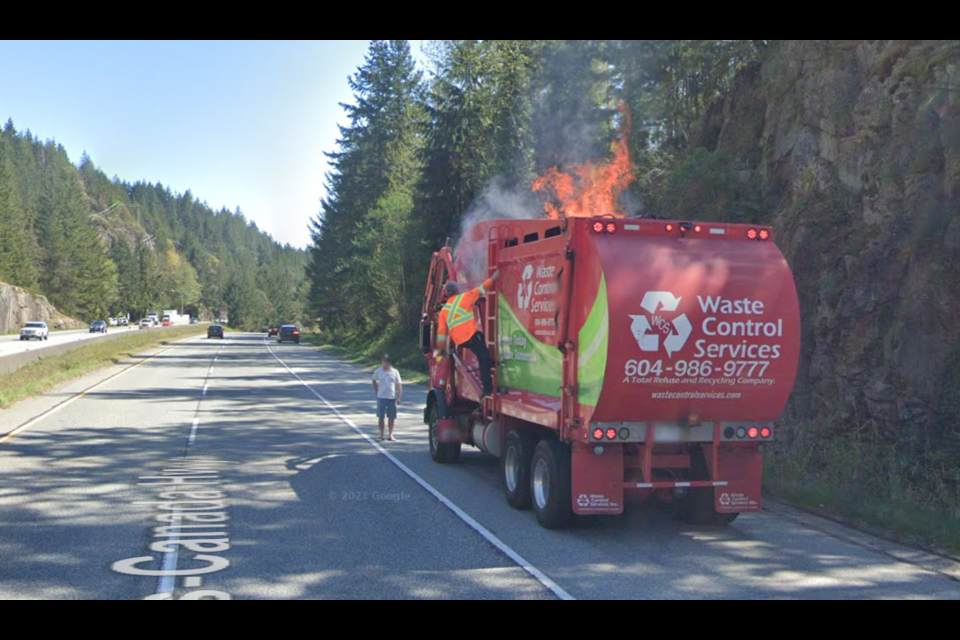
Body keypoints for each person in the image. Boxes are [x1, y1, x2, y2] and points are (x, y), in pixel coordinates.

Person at [436, 270, 500, 396]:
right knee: (483, 357)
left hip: (461, 341)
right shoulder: (465, 297)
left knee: (481, 340)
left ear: (447, 294)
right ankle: (487, 388)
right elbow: (481, 289)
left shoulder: (444, 310)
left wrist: (441, 349)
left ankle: (489, 362)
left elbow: (441, 332)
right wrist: (493, 278)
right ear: (457, 290)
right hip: (470, 335)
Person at [372, 355, 403, 442]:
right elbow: (373, 380)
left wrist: (399, 397)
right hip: (381, 397)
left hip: (391, 397)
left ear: (390, 362)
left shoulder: (395, 372)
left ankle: (390, 434)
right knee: (381, 416)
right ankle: (381, 435)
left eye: (387, 361)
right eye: (384, 361)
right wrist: (376, 390)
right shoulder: (378, 371)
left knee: (391, 417)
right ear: (382, 362)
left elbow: (399, 385)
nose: (386, 362)